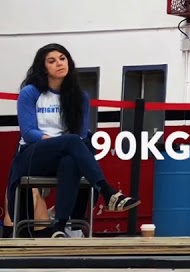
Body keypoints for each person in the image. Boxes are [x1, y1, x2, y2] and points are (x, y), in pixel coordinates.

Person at [7, 44, 141, 238]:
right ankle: (107, 191)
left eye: (62, 58)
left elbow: (79, 134)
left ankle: (60, 228)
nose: (59, 64)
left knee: (71, 160)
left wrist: (63, 144)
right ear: (44, 68)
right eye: (52, 61)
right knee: (70, 143)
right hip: (32, 155)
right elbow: (28, 133)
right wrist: (57, 142)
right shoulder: (30, 92)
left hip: (64, 152)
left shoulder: (79, 97)